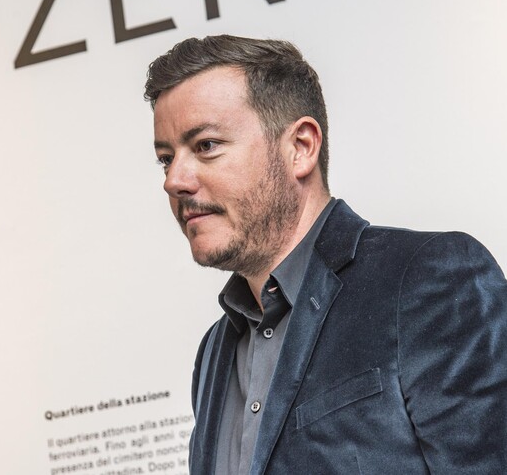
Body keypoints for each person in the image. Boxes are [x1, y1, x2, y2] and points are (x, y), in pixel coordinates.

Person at [144, 35, 507, 474]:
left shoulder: (430, 278)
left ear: (300, 147)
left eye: (205, 146)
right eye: (166, 158)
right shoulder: (214, 352)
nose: (174, 180)